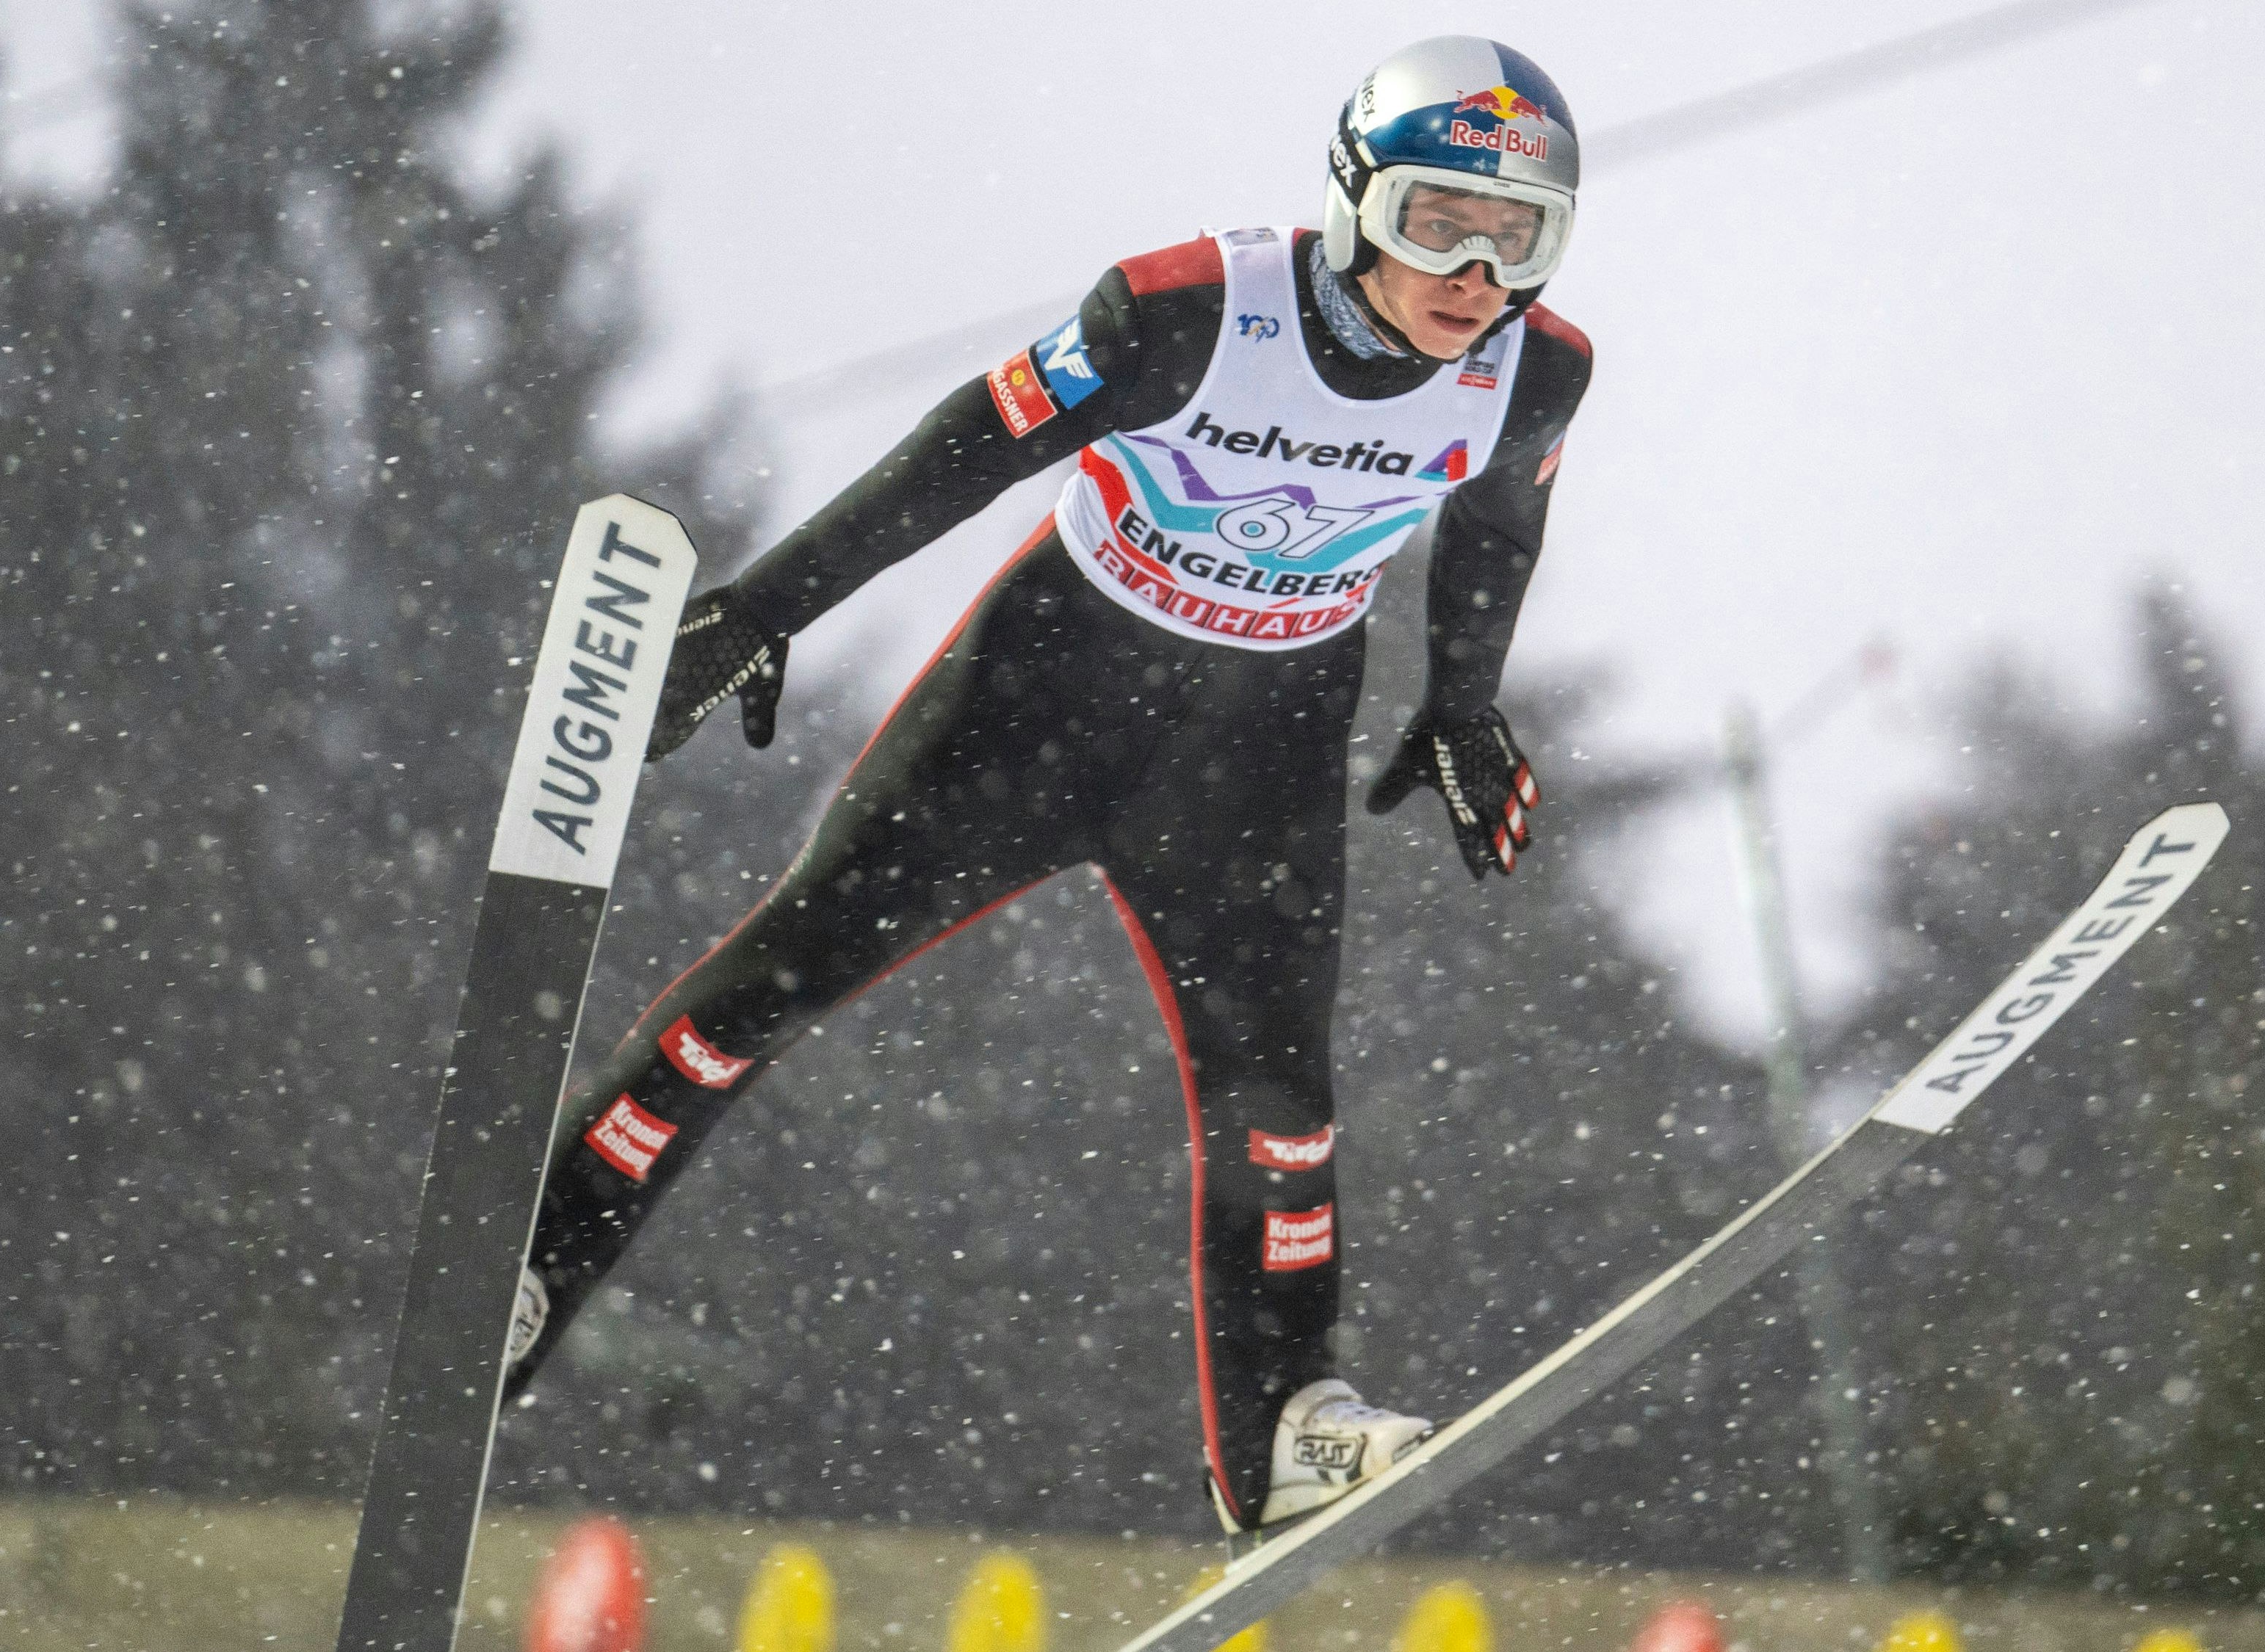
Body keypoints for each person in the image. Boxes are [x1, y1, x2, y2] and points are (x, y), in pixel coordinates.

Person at [501, 35, 1594, 1537]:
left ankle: (1283, 1425)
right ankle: (535, 1262)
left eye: (1516, 236)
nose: (1473, 274)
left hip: (1255, 753)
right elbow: (966, 451)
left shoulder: (1538, 371)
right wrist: (765, 611)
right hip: (1038, 703)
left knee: (1281, 1105)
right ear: (1351, 203)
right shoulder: (1184, 310)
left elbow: (1496, 530)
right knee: (771, 982)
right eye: (1434, 222)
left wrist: (1462, 705)